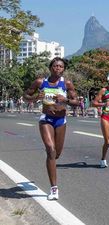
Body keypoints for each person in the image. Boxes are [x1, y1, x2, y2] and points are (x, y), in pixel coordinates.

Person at [23, 57, 79, 200]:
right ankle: (54, 189)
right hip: (46, 119)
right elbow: (25, 96)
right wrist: (36, 97)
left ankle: (51, 160)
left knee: (57, 154)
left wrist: (65, 100)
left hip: (61, 120)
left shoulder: (67, 83)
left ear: (63, 69)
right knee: (50, 150)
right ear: (50, 67)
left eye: (61, 66)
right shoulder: (41, 82)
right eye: (55, 66)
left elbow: (77, 102)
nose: (58, 68)